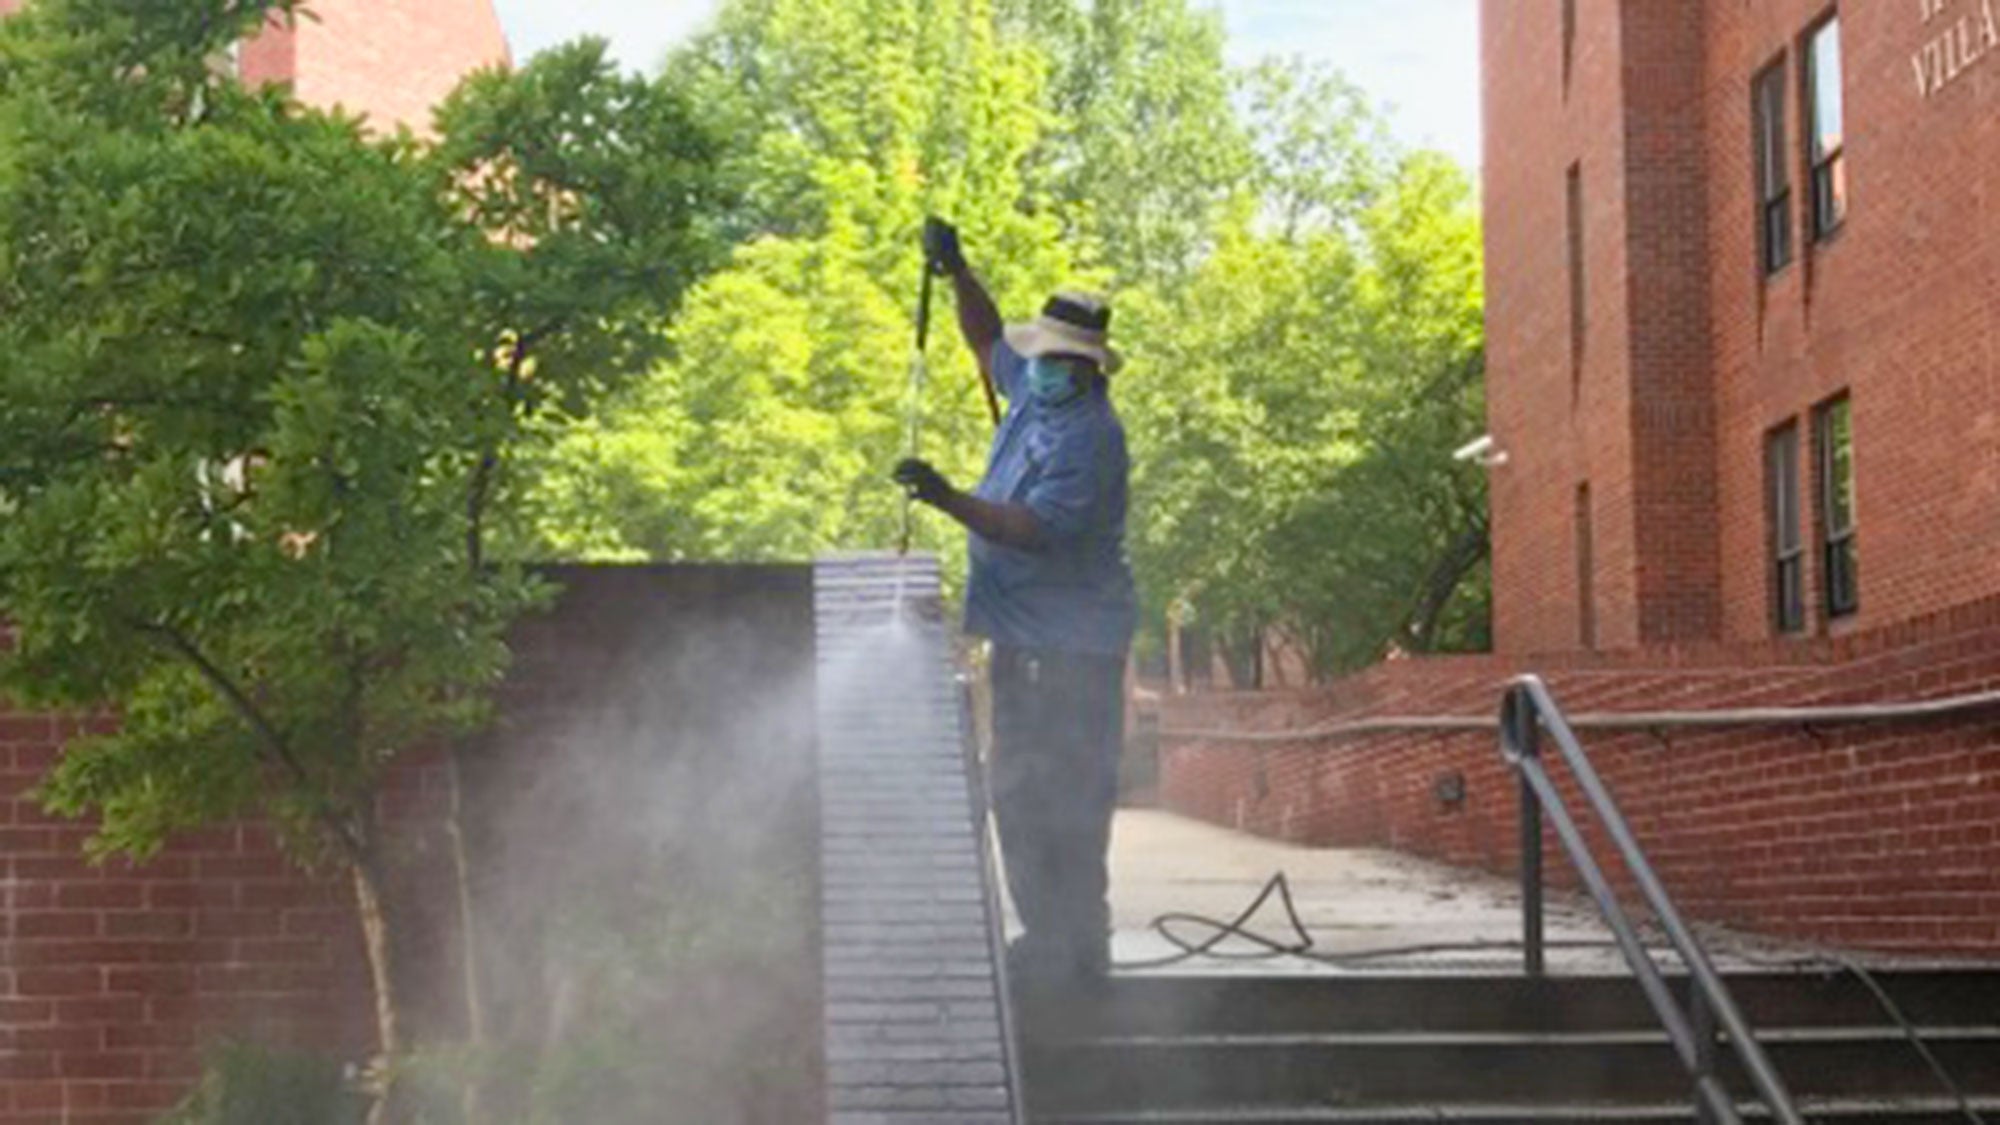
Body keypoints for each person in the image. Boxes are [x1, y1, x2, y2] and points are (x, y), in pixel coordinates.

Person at [893, 217, 1137, 983]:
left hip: (1067, 649)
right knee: (1027, 788)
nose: (1039, 368)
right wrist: (957, 268)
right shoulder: (1038, 393)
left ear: (1089, 368)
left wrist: (946, 498)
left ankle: (1068, 947)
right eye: (1041, 357)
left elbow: (1032, 529)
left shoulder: (1091, 439)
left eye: (1059, 361)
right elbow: (986, 338)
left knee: (1051, 789)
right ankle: (1062, 942)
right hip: (1027, 637)